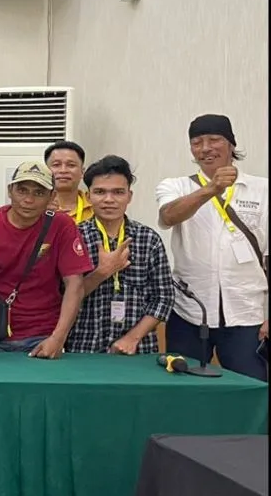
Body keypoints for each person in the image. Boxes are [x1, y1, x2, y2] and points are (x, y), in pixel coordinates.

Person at [157, 114, 267, 381]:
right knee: (184, 386)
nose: (205, 148)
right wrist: (211, 188)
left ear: (231, 144)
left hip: (246, 313)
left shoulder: (262, 189)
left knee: (249, 386)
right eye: (197, 142)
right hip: (189, 312)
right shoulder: (175, 186)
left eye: (214, 140)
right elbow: (168, 217)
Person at [0, 161, 91, 357]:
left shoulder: (62, 225)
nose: (28, 199)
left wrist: (58, 337)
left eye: (39, 193)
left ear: (52, 196)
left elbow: (75, 284)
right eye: (22, 190)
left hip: (42, 336)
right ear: (10, 191)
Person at [67, 156, 173, 355]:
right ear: (88, 196)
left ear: (129, 196)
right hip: (83, 347)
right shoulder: (73, 238)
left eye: (118, 192)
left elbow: (163, 297)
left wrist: (132, 339)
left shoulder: (148, 239)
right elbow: (62, 296)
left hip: (137, 350)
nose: (109, 200)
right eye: (100, 192)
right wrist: (102, 273)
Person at [45, 141, 94, 223]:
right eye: (56, 165)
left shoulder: (95, 206)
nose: (63, 170)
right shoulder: (34, 207)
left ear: (82, 172)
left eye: (71, 165)